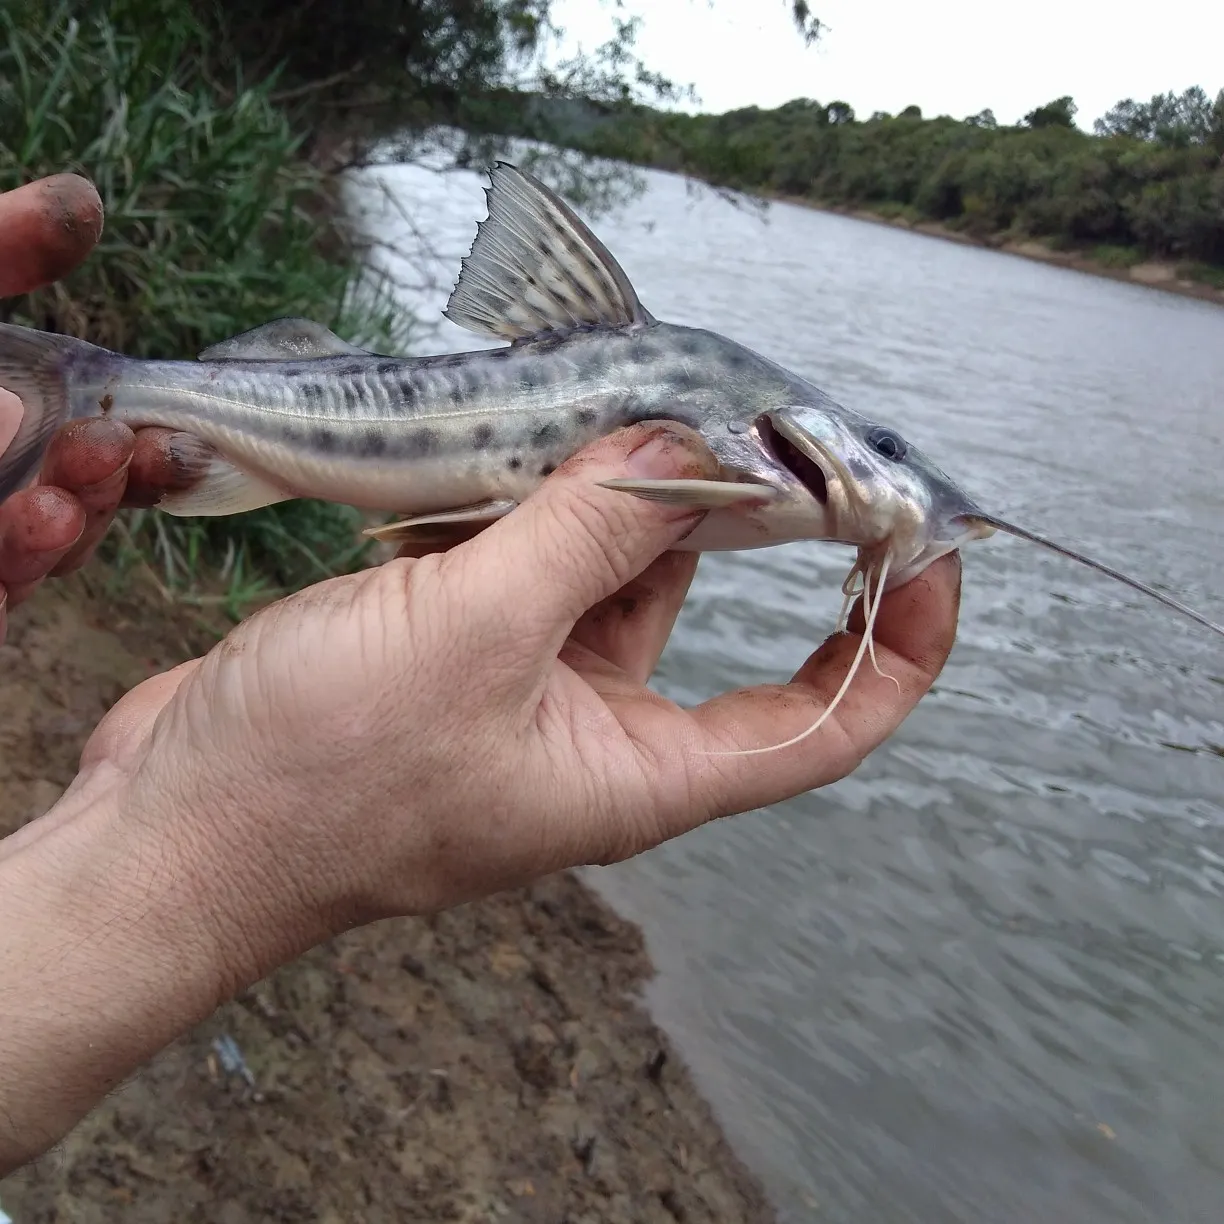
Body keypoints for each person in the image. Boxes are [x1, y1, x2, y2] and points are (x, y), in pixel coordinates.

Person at [0, 173, 961, 1175]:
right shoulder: (734, 438)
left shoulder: (746, 446)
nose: (898, 477)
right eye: (884, 450)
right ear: (788, 432)